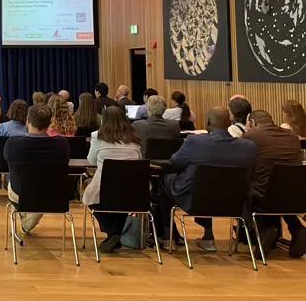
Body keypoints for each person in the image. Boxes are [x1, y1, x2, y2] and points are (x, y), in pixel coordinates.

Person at [156, 106, 256, 251]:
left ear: (208, 121)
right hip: (233, 202)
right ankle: (206, 237)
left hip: (195, 198)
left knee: (164, 179)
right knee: (210, 184)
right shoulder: (248, 147)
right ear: (229, 123)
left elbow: (174, 163)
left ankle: (168, 237)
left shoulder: (194, 142)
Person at [243, 110, 306, 258]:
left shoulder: (251, 136)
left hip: (263, 195)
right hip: (296, 196)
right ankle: (296, 228)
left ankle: (266, 230)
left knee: (247, 189)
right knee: (279, 190)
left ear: (252, 123)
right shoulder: (292, 136)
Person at [83, 106, 142, 252]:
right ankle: (115, 234)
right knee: (121, 204)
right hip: (131, 190)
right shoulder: (134, 137)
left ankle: (112, 233)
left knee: (91, 199)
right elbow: (139, 159)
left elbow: (91, 161)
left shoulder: (97, 136)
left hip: (104, 188)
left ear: (103, 120)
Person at [6, 104, 70, 236]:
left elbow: (7, 160)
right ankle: (27, 223)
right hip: (55, 195)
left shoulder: (13, 143)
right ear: (50, 122)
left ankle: (25, 220)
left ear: (27, 120)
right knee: (41, 188)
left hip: (21, 193)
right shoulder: (62, 144)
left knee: (12, 181)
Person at [0, 100, 28, 170]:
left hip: (3, 164)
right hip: (22, 166)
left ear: (11, 111)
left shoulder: (2, 127)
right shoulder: (29, 130)